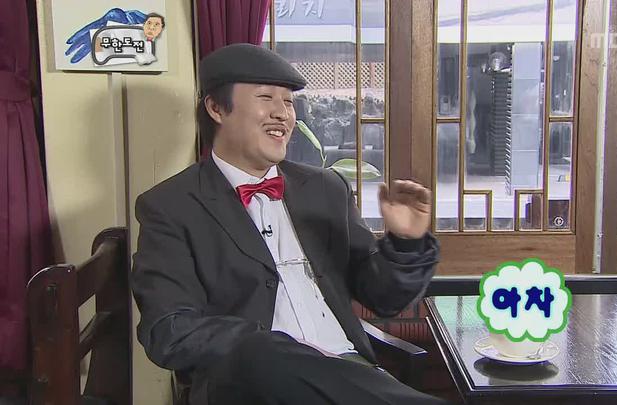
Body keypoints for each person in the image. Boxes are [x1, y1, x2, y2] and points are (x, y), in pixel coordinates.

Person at [131, 43, 450, 405]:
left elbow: (383, 299)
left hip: (347, 372)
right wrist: (265, 346)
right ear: (216, 108)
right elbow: (168, 330)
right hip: (251, 388)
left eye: (288, 102)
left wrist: (406, 243)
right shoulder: (171, 206)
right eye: (266, 98)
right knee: (264, 353)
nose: (282, 114)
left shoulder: (325, 188)